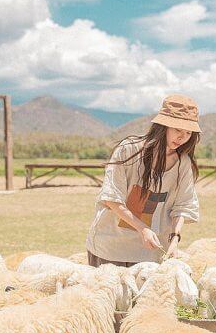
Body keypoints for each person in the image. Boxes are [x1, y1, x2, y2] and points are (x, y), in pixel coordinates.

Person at [85, 94, 201, 267]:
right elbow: (111, 199)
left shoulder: (182, 163)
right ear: (163, 126)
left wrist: (175, 239)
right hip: (110, 249)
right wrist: (143, 228)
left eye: (188, 133)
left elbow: (183, 206)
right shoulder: (128, 150)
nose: (182, 137)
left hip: (150, 255)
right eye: (178, 130)